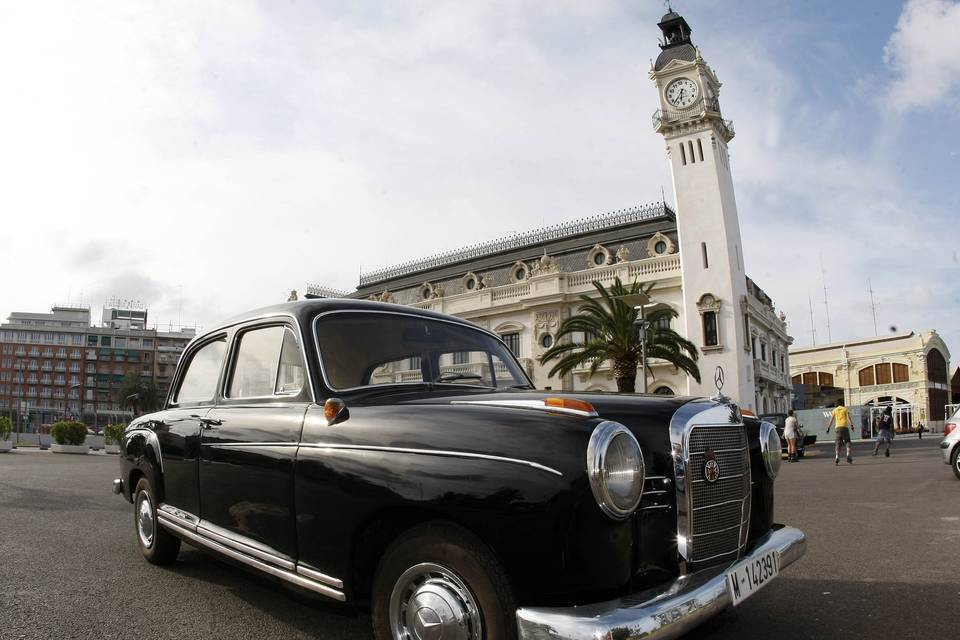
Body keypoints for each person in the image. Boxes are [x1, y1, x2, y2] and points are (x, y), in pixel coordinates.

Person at [826, 398, 853, 465]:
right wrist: (852, 425)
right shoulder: (845, 409)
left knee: (838, 443)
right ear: (842, 403)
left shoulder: (834, 410)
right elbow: (848, 418)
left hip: (838, 428)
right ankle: (848, 455)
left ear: (837, 403)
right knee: (847, 441)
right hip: (845, 427)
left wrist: (828, 428)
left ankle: (837, 456)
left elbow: (831, 420)